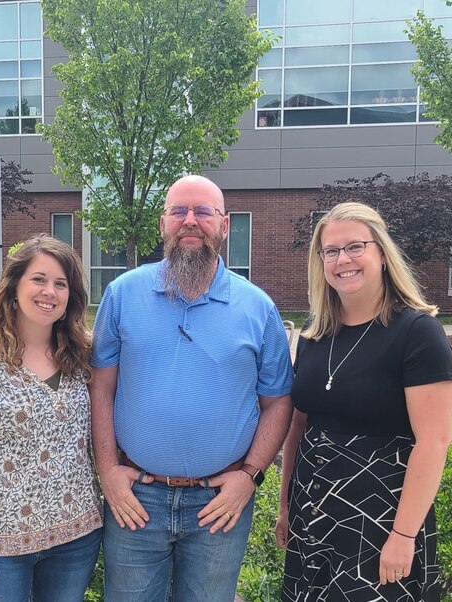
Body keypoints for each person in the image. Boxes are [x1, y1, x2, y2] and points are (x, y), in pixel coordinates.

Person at [90, 174, 294, 602]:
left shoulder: (259, 308)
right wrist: (108, 470)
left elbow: (278, 402)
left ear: (224, 226)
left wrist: (250, 477)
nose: (190, 221)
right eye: (178, 211)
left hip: (219, 505)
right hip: (136, 498)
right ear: (162, 224)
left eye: (203, 212)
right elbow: (102, 388)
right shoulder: (122, 294)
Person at [276, 202, 452, 602]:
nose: (343, 260)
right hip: (312, 512)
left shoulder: (418, 333)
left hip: (380, 516)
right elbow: (298, 425)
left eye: (355, 247)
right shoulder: (313, 335)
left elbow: (434, 442)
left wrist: (404, 535)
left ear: (381, 252)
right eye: (331, 251)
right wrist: (286, 504)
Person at [0, 234, 103, 602]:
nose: (49, 291)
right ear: (14, 287)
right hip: (2, 547)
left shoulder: (84, 357)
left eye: (60, 283)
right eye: (39, 279)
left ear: (70, 297)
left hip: (76, 536)